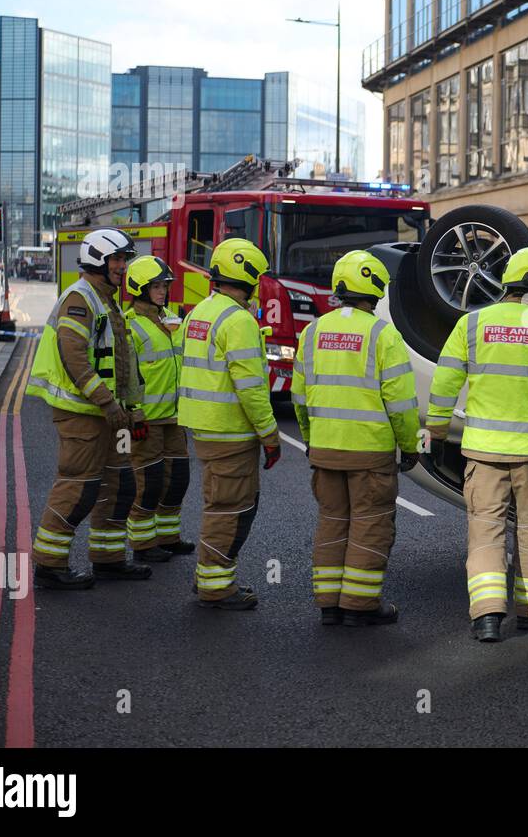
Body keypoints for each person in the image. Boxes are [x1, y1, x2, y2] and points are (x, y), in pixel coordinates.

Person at [426, 246, 528, 643]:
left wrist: (437, 431)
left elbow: (445, 383)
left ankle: (487, 616)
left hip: (482, 453)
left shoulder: (472, 323)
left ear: (508, 280)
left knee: (485, 531)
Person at [291, 250, 420, 627]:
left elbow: (300, 397)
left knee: (332, 520)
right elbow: (401, 404)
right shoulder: (383, 334)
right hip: (369, 451)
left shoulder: (312, 331)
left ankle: (329, 604)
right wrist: (410, 446)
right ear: (376, 291)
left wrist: (311, 439)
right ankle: (359, 606)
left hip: (326, 449)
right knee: (370, 523)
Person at [27, 228, 150, 589]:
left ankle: (109, 559)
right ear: (98, 259)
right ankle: (49, 565)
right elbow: (75, 359)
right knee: (78, 487)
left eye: (124, 259)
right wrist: (106, 403)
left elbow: (121, 363)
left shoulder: (106, 299)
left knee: (121, 485)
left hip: (111, 415)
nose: (123, 266)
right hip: (83, 413)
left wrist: (132, 410)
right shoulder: (80, 299)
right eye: (118, 259)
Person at [177, 238, 280, 610]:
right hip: (231, 430)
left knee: (218, 504)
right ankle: (215, 587)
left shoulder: (199, 311)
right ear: (249, 277)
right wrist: (270, 435)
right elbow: (252, 389)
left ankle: (209, 577)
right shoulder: (238, 320)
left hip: (204, 427)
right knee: (231, 508)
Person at [122, 255, 195, 562]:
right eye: (156, 286)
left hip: (175, 417)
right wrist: (133, 411)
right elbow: (124, 375)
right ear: (140, 288)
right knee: (149, 484)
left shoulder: (171, 320)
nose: (163, 291)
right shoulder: (130, 326)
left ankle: (168, 536)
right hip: (147, 420)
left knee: (178, 479)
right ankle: (142, 545)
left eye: (164, 285)